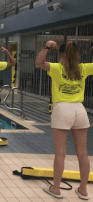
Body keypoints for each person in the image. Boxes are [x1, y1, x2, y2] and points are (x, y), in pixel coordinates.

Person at [36, 41, 91, 200]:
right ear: (77, 55)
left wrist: (46, 46)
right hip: (80, 110)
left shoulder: (57, 68)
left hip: (62, 110)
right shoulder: (84, 68)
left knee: (61, 152)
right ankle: (83, 190)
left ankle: (56, 188)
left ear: (61, 55)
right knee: (83, 153)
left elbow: (39, 62)